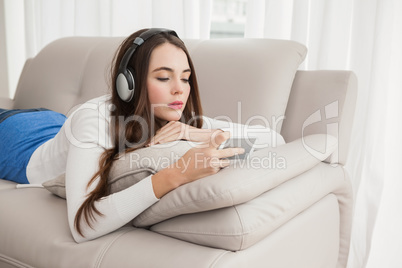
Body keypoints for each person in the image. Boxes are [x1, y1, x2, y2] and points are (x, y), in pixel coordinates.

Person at [0, 28, 284, 243]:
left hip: (54, 123)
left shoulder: (178, 118)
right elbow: (81, 226)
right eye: (163, 77)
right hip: (18, 140)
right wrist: (175, 175)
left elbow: (275, 140)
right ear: (128, 84)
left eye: (185, 78)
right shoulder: (94, 119)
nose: (179, 90)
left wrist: (199, 134)